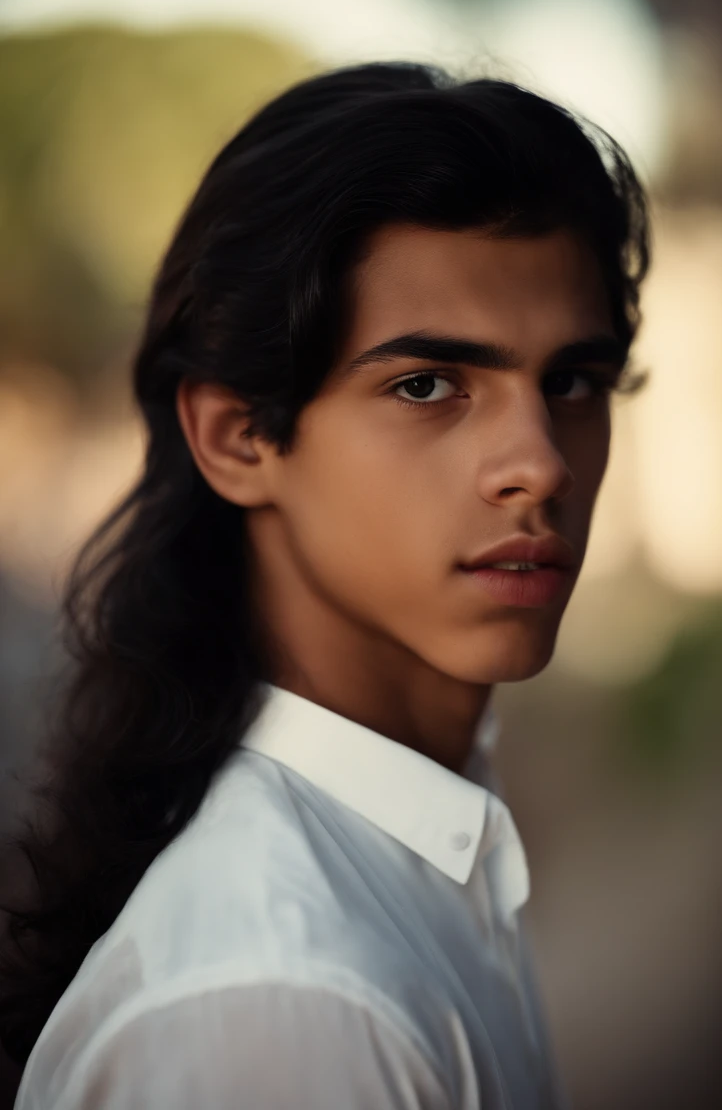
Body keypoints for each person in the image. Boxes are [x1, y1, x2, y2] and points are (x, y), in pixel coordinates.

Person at [0, 61, 649, 1109]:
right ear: (238, 436)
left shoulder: (428, 837)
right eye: (427, 384)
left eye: (570, 382)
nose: (540, 463)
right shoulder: (286, 1001)